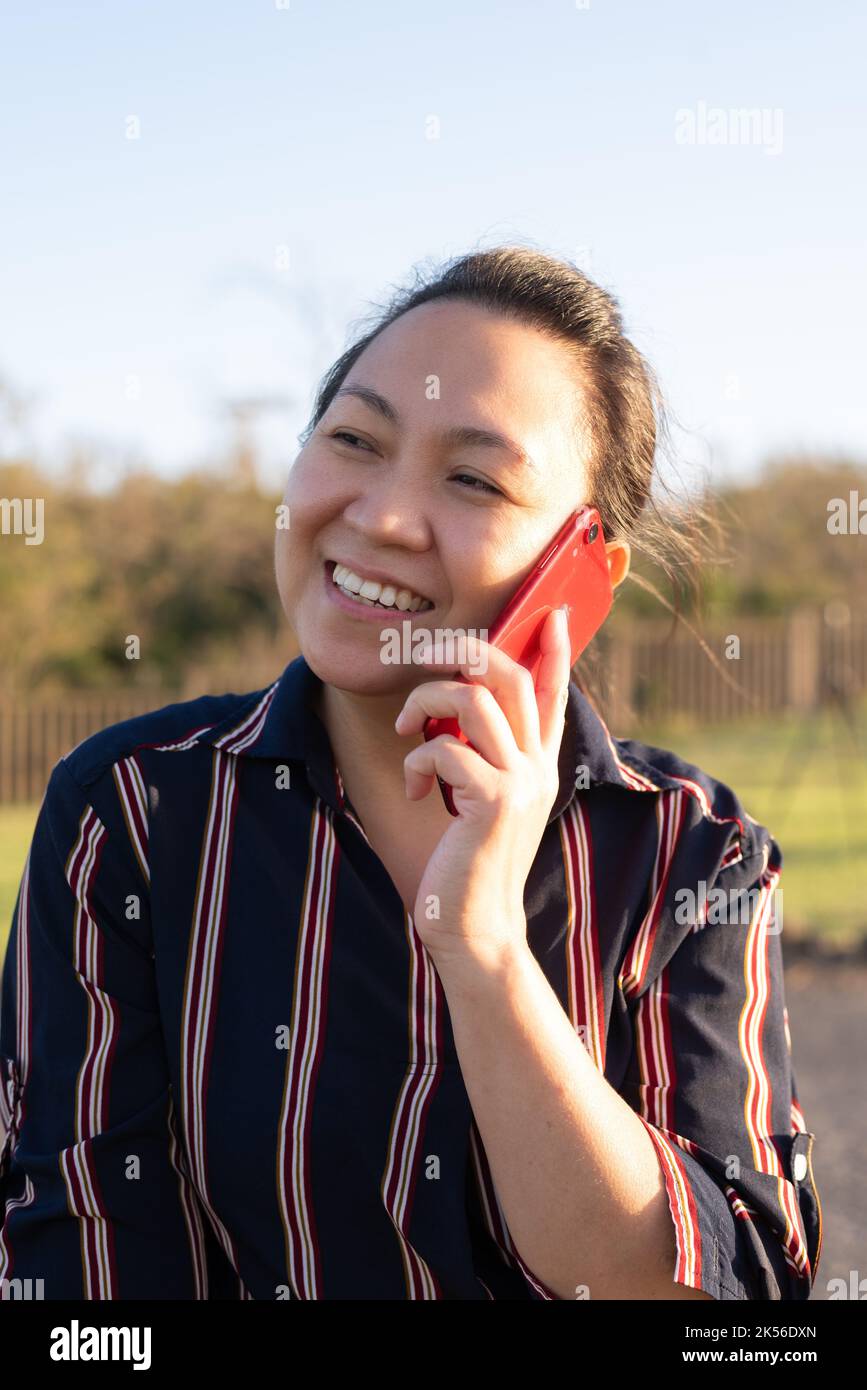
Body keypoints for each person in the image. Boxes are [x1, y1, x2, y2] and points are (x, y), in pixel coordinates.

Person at [0, 246, 821, 1301]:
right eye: (353, 438)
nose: (383, 516)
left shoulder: (692, 851)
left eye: (475, 478)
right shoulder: (129, 816)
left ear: (581, 574)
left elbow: (737, 1300)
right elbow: (84, 1272)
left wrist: (483, 953)